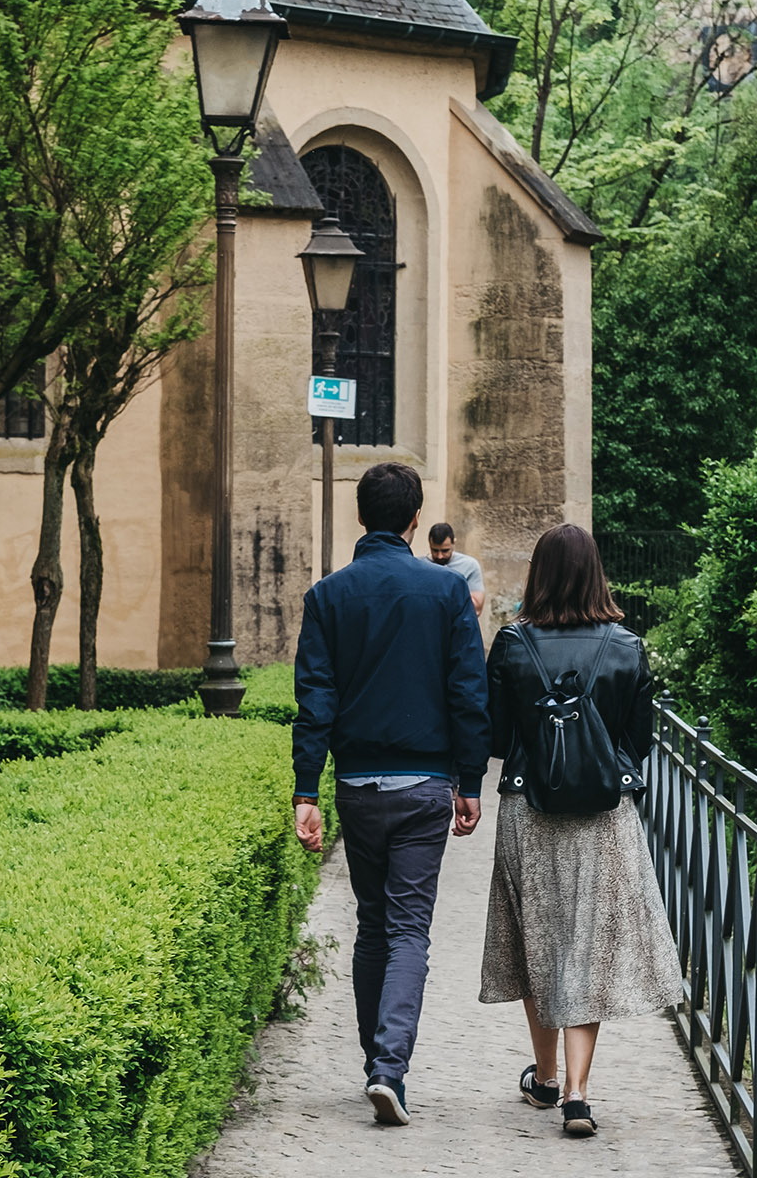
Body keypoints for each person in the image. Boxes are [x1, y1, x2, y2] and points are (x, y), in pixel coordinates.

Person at [293, 462, 491, 1128]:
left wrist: (305, 789)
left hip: (357, 786)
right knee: (409, 928)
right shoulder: (444, 595)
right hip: (425, 783)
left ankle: (375, 1062)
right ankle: (389, 1067)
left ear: (360, 517)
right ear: (415, 520)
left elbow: (314, 699)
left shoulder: (328, 596)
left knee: (371, 928)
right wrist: (470, 781)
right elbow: (468, 692)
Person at [477, 523, 680, 1138]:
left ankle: (542, 1076)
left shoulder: (512, 644)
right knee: (585, 946)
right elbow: (638, 743)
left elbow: (494, 738)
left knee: (537, 940)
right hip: (604, 818)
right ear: (597, 572)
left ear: (538, 574)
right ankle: (578, 1093)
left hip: (527, 812)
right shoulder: (626, 645)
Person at [427, 522, 485, 616]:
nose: (440, 556)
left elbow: (476, 609)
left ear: (454, 543)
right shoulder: (420, 564)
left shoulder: (469, 565)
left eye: (445, 551)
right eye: (435, 550)